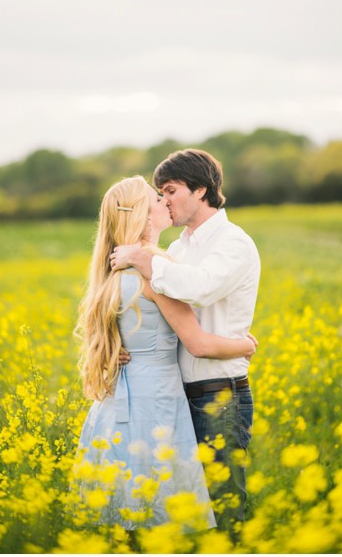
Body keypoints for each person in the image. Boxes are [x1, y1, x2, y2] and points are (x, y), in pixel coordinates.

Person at [74, 176, 258, 530]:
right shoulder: (154, 275)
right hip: (154, 404)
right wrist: (245, 345)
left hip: (115, 407)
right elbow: (199, 344)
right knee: (158, 515)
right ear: (144, 216)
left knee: (128, 513)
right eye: (158, 198)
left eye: (167, 193)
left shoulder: (113, 273)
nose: (165, 202)